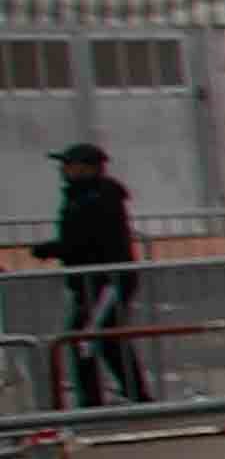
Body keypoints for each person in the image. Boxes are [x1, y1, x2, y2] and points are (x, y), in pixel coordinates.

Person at [39, 140, 147, 406]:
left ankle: (106, 400)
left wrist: (54, 249)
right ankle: (120, 396)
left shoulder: (100, 197)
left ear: (89, 168)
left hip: (107, 282)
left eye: (70, 164)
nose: (64, 170)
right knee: (100, 338)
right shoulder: (79, 196)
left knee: (87, 337)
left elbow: (88, 240)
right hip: (90, 282)